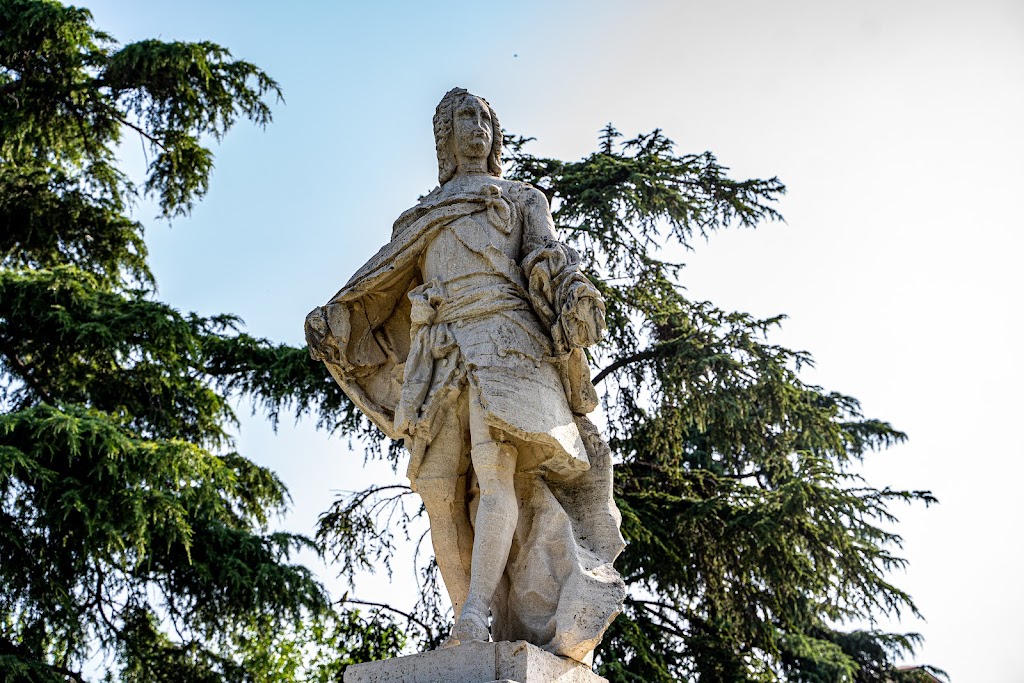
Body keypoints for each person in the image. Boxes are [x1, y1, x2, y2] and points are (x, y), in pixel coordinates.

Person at [306, 88, 623, 662]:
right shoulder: (421, 215)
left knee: (495, 470)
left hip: (507, 346)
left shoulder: (523, 200)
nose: (476, 128)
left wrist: (576, 293)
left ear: (494, 135)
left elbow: (548, 261)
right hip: (440, 352)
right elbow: (381, 283)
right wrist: (337, 318)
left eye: (484, 118)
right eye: (463, 119)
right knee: (439, 492)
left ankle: (476, 614)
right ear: (444, 137)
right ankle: (469, 618)